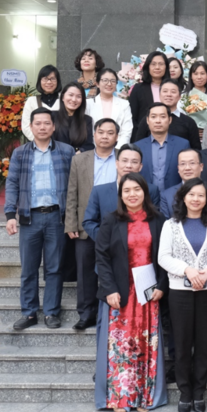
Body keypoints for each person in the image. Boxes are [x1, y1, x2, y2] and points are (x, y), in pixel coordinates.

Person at [94, 172, 167, 412]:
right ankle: (120, 398)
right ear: (121, 194)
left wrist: (161, 286)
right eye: (126, 190)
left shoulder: (158, 220)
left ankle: (144, 397)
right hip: (121, 293)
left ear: (144, 192)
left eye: (136, 189)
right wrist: (109, 289)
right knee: (121, 345)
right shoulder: (111, 220)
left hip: (148, 292)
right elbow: (101, 257)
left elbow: (166, 258)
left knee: (146, 344)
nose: (132, 194)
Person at [5, 108, 76, 331]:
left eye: (47, 123)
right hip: (29, 217)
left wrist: (73, 219)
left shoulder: (66, 151)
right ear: (31, 127)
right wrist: (10, 215)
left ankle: (51, 312)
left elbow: (74, 187)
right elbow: (13, 184)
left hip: (57, 217)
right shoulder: (21, 153)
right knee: (28, 268)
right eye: (38, 123)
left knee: (54, 268)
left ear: (53, 127)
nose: (43, 127)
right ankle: (28, 313)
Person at [158, 178, 207, 412]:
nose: (196, 199)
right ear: (183, 197)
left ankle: (199, 391)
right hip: (180, 292)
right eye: (192, 195)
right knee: (182, 343)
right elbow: (163, 257)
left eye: (201, 195)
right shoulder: (171, 224)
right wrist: (188, 270)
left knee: (204, 342)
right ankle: (185, 392)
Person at [65, 118, 119, 330]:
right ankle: (86, 313)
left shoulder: (122, 159)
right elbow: (72, 193)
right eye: (101, 132)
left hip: (115, 224)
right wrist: (71, 223)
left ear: (117, 137)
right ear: (94, 135)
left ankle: (112, 311)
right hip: (85, 224)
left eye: (110, 133)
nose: (105, 136)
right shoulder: (80, 160)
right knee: (85, 270)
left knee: (114, 269)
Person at [83, 144, 158, 242]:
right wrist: (106, 240)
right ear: (116, 164)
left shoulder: (151, 190)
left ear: (140, 167)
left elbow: (155, 221)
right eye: (124, 161)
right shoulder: (99, 191)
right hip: (108, 250)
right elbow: (89, 222)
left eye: (134, 162)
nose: (128, 165)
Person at [134, 102, 190, 194]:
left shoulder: (182, 144)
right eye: (153, 117)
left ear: (170, 120)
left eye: (163, 116)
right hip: (145, 199)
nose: (158, 121)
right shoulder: (138, 146)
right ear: (147, 120)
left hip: (175, 198)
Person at [159, 149, 207, 218]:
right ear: (178, 169)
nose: (187, 168)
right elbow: (164, 224)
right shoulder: (167, 195)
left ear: (201, 167)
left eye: (192, 163)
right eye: (183, 164)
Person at [86, 68, 133, 146]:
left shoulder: (124, 104)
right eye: (105, 80)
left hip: (117, 149)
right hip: (93, 149)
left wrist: (117, 151)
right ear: (97, 84)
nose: (109, 84)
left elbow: (126, 132)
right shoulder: (88, 104)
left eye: (113, 81)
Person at [128, 51, 169, 135]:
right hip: (144, 136)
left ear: (166, 67)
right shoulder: (138, 89)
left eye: (161, 64)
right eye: (153, 64)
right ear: (148, 67)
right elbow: (132, 117)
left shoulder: (172, 88)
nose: (157, 67)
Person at [22, 65, 62, 141]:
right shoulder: (31, 101)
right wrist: (41, 142)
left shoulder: (65, 99)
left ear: (58, 81)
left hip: (62, 145)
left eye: (52, 79)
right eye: (45, 79)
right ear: (39, 81)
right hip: (39, 146)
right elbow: (26, 126)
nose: (49, 82)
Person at [53, 82, 95, 152]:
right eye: (71, 95)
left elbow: (89, 145)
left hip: (78, 159)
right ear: (63, 97)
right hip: (56, 159)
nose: (74, 99)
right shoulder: (52, 116)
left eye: (78, 96)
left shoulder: (87, 120)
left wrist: (79, 152)